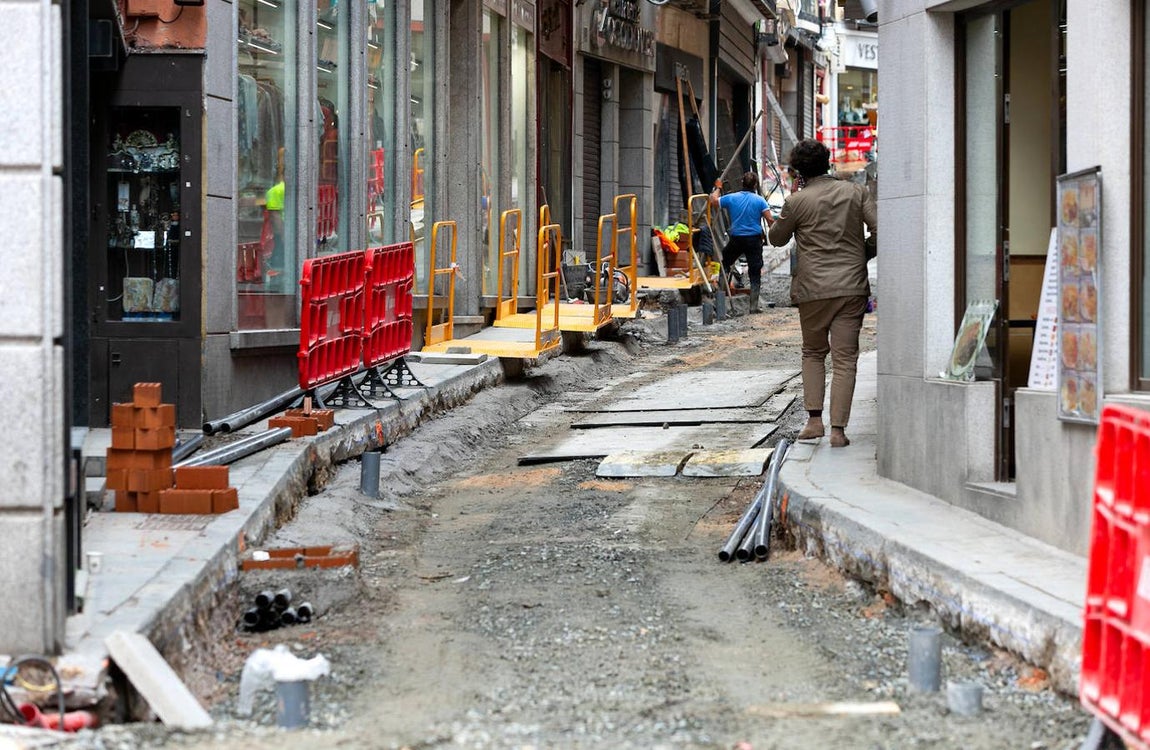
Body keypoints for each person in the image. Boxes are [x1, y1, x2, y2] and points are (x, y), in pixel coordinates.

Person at [766, 139, 876, 448]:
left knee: (813, 353)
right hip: (851, 286)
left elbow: (776, 239)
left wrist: (787, 208)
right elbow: (881, 230)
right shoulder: (856, 192)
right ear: (827, 162)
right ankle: (839, 431)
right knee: (845, 359)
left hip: (813, 290)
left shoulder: (797, 202)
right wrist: (862, 254)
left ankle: (814, 421)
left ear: (799, 171)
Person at [709, 171, 771, 313]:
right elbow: (770, 219)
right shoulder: (760, 200)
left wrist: (718, 187)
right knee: (755, 271)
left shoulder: (731, 198)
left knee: (725, 263)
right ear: (755, 185)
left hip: (736, 239)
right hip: (754, 240)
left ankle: (720, 301)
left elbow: (713, 201)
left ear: (742, 183)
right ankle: (753, 307)